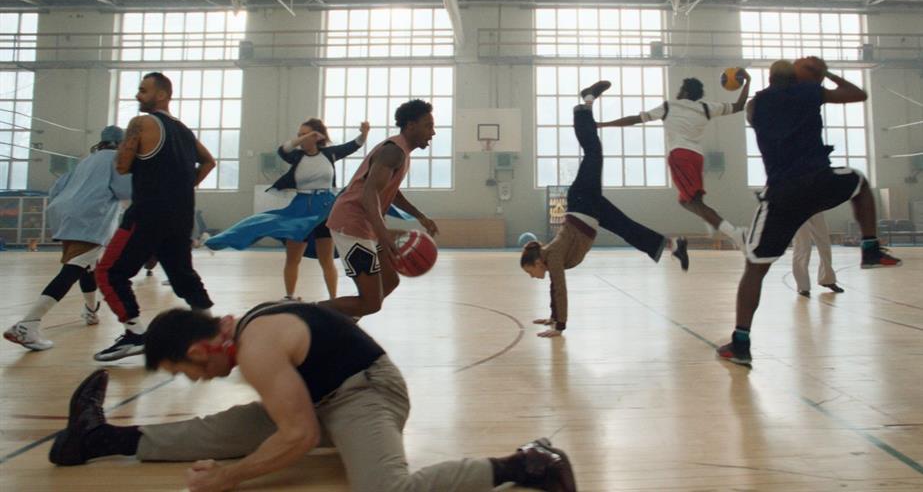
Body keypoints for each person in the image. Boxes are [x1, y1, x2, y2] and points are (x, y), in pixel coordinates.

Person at [48, 302, 578, 492]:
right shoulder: (244, 333)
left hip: (368, 394)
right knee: (223, 432)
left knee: (384, 490)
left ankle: (528, 466)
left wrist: (230, 478)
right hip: (327, 396)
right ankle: (98, 438)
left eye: (184, 369)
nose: (194, 379)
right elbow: (297, 425)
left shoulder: (255, 345)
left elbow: (298, 436)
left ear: (201, 346)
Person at [717, 58, 901, 366]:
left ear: (771, 79)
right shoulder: (809, 93)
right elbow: (858, 94)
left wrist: (754, 85)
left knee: (754, 269)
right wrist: (823, 74)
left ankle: (740, 342)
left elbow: (750, 111)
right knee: (859, 183)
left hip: (783, 195)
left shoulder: (757, 105)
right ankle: (870, 248)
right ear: (800, 78)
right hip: (819, 183)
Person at [520, 81, 690, 338]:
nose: (532, 277)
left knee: (593, 152)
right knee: (626, 227)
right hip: (590, 214)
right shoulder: (550, 258)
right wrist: (552, 318)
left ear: (536, 263)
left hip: (581, 202)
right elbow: (555, 288)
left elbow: (559, 289)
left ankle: (586, 102)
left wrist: (559, 326)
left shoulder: (552, 256)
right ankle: (674, 246)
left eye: (529, 272)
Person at [93, 72, 217, 362]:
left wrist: (127, 151)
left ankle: (135, 334)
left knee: (109, 272)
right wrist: (182, 186)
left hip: (148, 212)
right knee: (182, 274)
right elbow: (210, 161)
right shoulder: (184, 130)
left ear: (161, 94)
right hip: (180, 214)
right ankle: (210, 329)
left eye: (143, 90)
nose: (138, 95)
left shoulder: (141, 123)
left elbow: (122, 166)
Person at [206, 119, 369, 300]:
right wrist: (304, 137)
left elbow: (355, 145)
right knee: (293, 258)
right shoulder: (296, 156)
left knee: (326, 260)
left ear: (317, 136)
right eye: (299, 134)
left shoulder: (329, 154)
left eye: (305, 134)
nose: (300, 138)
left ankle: (333, 299)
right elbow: (283, 150)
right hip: (301, 210)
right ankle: (289, 296)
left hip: (325, 209)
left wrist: (364, 132)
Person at [4, 127, 132, 351]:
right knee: (74, 268)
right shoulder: (117, 160)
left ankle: (91, 311)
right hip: (91, 216)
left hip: (64, 212)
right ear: (122, 143)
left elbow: (56, 188)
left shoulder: (86, 161)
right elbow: (124, 190)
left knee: (88, 265)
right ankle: (28, 324)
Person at [596, 75, 750, 248]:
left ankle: (736, 234)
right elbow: (739, 106)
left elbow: (635, 119)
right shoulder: (706, 108)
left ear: (684, 91)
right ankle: (712, 220)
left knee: (693, 202)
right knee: (686, 201)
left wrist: (603, 124)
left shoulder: (669, 106)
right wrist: (748, 81)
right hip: (697, 157)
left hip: (680, 156)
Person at [323, 99, 440, 318]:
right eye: (428, 125)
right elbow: (369, 194)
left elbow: (390, 191)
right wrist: (383, 233)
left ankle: (344, 324)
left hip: (364, 224)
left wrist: (420, 216)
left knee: (389, 280)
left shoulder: (400, 152)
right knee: (371, 302)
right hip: (351, 224)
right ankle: (305, 313)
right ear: (410, 125)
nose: (432, 132)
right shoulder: (393, 151)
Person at [792, 212, 842, 297]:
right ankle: (803, 286)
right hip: (795, 207)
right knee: (802, 246)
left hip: (815, 206)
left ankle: (827, 279)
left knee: (824, 243)